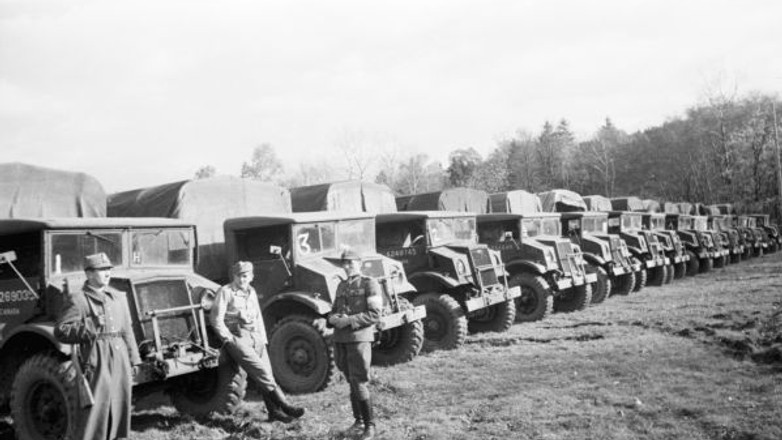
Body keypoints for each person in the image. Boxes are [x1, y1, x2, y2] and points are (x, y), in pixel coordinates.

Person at [55, 252, 141, 440]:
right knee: (95, 411)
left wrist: (134, 359)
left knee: (120, 404)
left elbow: (127, 330)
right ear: (89, 274)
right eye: (101, 270)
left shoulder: (117, 297)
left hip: (120, 357)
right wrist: (90, 325)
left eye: (108, 269)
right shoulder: (78, 299)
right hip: (95, 359)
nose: (107, 273)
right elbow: (61, 331)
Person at [210, 261, 305, 423]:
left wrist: (263, 338)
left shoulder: (251, 291)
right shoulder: (226, 292)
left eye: (245, 276)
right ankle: (285, 405)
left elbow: (258, 316)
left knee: (267, 373)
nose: (242, 279)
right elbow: (216, 319)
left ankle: (274, 412)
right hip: (238, 337)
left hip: (255, 336)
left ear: (251, 277)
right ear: (234, 277)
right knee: (260, 371)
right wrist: (228, 339)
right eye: (238, 276)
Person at [328, 250, 383, 440]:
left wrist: (349, 320)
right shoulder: (341, 285)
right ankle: (358, 421)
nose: (346, 266)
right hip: (340, 340)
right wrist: (332, 318)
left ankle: (370, 426)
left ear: (359, 263)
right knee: (351, 381)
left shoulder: (369, 283)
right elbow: (333, 311)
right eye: (344, 263)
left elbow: (375, 314)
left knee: (359, 381)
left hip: (359, 339)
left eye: (350, 263)